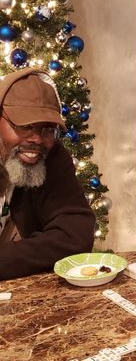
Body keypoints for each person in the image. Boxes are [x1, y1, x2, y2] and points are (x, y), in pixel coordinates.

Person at [0, 68, 95, 280]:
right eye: (26, 126)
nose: (37, 139)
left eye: (48, 129)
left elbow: (75, 236)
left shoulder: (52, 157)